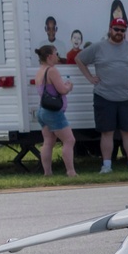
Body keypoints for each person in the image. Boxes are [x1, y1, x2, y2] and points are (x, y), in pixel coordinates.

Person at [74, 18, 128, 173]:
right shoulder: (98, 47)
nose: (119, 33)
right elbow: (79, 59)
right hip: (104, 96)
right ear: (110, 29)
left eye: (122, 30)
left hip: (127, 96)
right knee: (106, 132)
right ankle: (106, 165)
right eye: (116, 29)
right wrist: (90, 78)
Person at [34, 45, 77, 177]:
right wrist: (68, 86)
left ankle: (47, 172)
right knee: (69, 140)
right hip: (53, 112)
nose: (58, 57)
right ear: (49, 56)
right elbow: (62, 90)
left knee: (48, 141)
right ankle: (71, 172)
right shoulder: (52, 70)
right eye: (56, 53)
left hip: (42, 111)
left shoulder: (40, 71)